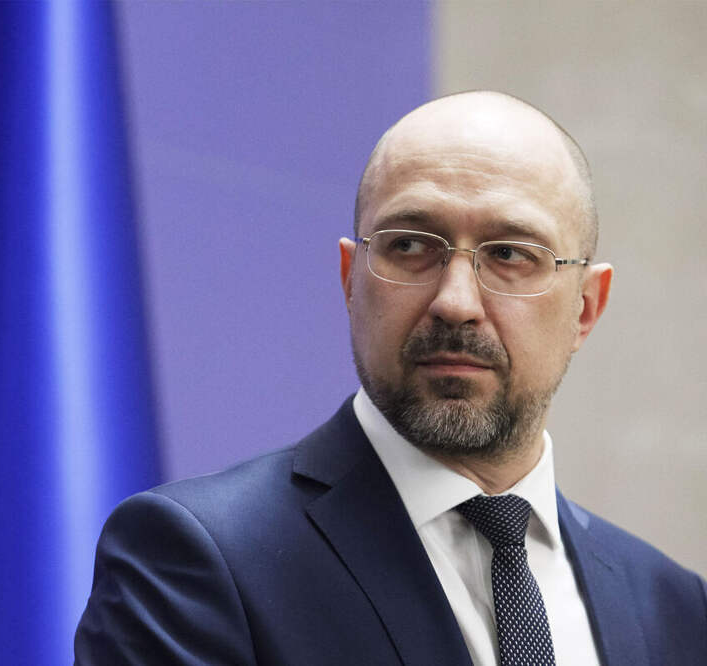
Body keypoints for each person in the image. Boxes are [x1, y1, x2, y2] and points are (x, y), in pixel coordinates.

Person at [74, 91, 707, 664]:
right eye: (410, 245)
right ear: (351, 280)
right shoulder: (197, 559)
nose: (455, 302)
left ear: (586, 308)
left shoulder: (675, 608)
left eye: (511, 253)